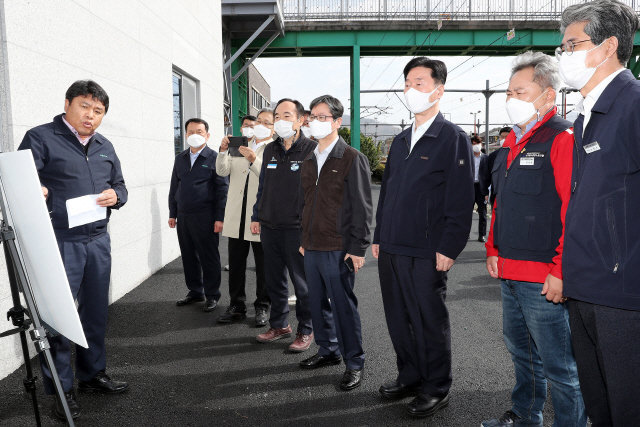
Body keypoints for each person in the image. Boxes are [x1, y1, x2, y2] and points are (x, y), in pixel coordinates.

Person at [482, 51, 586, 427]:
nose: (510, 99)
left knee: (561, 366)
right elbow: (502, 203)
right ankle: (526, 416)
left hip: (544, 277)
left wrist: (561, 270)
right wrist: (492, 249)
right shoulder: (510, 142)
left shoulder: (561, 138)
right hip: (510, 270)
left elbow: (571, 212)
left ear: (547, 96)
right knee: (522, 353)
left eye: (519, 92)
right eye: (509, 92)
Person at [18, 80, 129, 420]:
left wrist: (116, 197)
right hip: (59, 241)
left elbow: (121, 186)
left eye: (98, 111)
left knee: (95, 312)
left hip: (98, 240)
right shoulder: (40, 137)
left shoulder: (105, 145)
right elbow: (20, 180)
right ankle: (61, 390)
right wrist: (35, 188)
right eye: (85, 106)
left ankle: (92, 374)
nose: (90, 115)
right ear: (67, 104)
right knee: (59, 318)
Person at [372, 57, 474, 418]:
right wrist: (379, 235)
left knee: (428, 320)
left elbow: (461, 201)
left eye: (418, 83)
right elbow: (387, 193)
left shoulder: (453, 138)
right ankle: (410, 375)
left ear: (438, 89)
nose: (409, 90)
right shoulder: (400, 140)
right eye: (407, 84)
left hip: (427, 249)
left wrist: (449, 246)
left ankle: (436, 386)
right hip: (392, 246)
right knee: (398, 318)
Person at [558, 1, 640, 425]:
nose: (563, 55)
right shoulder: (583, 119)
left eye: (572, 44)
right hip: (586, 286)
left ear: (609, 46)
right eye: (562, 46)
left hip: (623, 295)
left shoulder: (633, 105)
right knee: (600, 407)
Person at [298, 95, 373, 391]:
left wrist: (358, 248)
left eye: (321, 117)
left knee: (343, 306)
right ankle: (328, 350)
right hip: (311, 246)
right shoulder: (308, 157)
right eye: (311, 116)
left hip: (338, 248)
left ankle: (354, 362)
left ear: (338, 122)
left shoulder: (352, 158)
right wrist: (303, 239)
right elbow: (303, 203)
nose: (314, 122)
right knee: (315, 303)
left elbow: (363, 208)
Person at [250, 98, 316, 352]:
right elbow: (263, 186)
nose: (280, 120)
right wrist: (257, 216)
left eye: (287, 115)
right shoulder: (270, 150)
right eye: (277, 116)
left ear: (301, 120)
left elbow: (315, 193)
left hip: (296, 229)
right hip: (269, 226)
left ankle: (305, 329)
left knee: (302, 283)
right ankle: (279, 325)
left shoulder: (311, 149)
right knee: (274, 280)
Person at [216, 111, 274, 327]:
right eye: (259, 121)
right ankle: (236, 305)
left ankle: (262, 306)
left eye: (267, 123)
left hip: (260, 216)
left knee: (264, 266)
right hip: (236, 214)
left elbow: (273, 177)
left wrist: (253, 159)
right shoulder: (239, 144)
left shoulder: (275, 148)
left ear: (274, 128)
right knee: (237, 264)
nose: (260, 125)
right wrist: (222, 151)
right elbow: (222, 171)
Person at [169, 118, 228, 312]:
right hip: (184, 216)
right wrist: (173, 213)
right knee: (188, 255)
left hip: (206, 215)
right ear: (185, 135)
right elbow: (174, 187)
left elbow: (222, 190)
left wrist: (220, 218)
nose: (195, 135)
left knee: (208, 256)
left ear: (207, 135)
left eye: (199, 131)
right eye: (190, 131)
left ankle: (212, 294)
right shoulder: (180, 158)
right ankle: (195, 291)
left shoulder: (214, 158)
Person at [479, 127, 511, 207]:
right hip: (496, 193)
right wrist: (485, 192)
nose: (503, 139)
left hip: (512, 192)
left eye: (506, 137)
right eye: (502, 137)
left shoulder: (518, 154)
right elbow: (486, 175)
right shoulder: (493, 156)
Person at [471, 135, 488, 242]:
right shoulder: (467, 157)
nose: (475, 146)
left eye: (477, 144)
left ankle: (481, 235)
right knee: (467, 214)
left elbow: (489, 175)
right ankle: (465, 234)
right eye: (473, 144)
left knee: (483, 213)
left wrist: (487, 191)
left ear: (481, 145)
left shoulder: (486, 158)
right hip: (469, 188)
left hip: (481, 189)